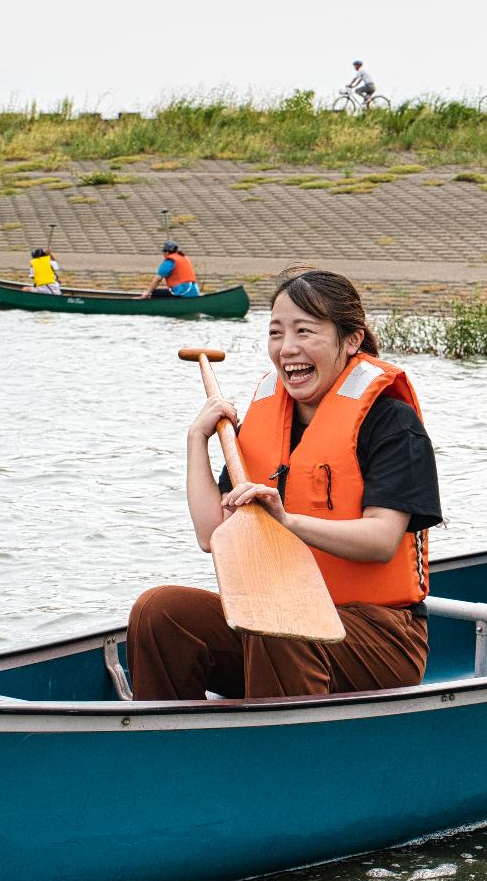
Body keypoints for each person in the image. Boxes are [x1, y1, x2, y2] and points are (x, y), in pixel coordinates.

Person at [126, 268, 442, 700]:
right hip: (283, 626)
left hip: (381, 635)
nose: (287, 348)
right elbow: (210, 535)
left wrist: (287, 521)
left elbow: (382, 539)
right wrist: (196, 440)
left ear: (350, 341)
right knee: (159, 612)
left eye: (305, 331)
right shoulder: (263, 421)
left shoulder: (391, 422)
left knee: (277, 624)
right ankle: (167, 751)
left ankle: (280, 756)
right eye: (276, 332)